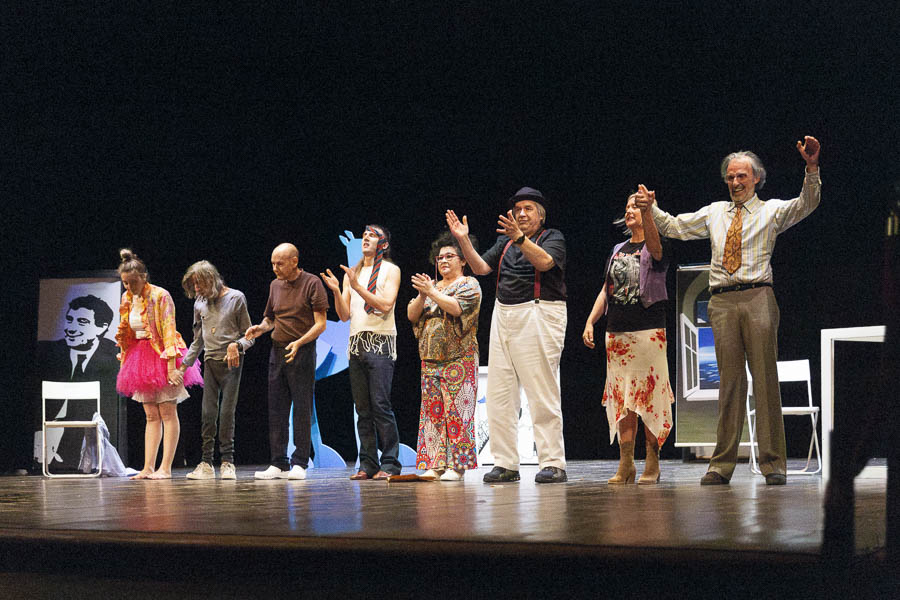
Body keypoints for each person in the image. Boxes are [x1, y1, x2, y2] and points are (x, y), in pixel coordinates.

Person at [639, 136, 821, 485]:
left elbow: (806, 203)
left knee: (765, 380)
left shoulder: (770, 211)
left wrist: (811, 168)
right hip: (721, 301)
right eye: (731, 177)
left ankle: (773, 464)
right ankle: (721, 465)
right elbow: (675, 227)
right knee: (730, 384)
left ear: (756, 179)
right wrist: (651, 208)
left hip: (757, 296)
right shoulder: (714, 213)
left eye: (742, 176)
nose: (736, 182)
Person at [446, 186, 568, 484]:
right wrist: (463, 240)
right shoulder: (505, 241)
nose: (521, 213)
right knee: (500, 395)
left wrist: (520, 238)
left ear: (541, 215)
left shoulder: (552, 237)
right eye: (518, 209)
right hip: (504, 314)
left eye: (528, 209)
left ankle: (553, 462)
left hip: (538, 312)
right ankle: (505, 463)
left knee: (541, 391)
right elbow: (481, 268)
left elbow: (545, 263)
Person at [583, 186, 674, 484]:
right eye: (628, 206)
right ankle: (626, 463)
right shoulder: (617, 249)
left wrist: (649, 212)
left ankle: (652, 461)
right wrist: (591, 321)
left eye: (636, 205)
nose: (629, 210)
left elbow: (656, 252)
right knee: (622, 399)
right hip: (617, 333)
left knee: (650, 396)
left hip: (648, 331)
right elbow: (605, 290)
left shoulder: (657, 243)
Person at [321, 224, 402, 481]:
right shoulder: (352, 274)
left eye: (372, 236)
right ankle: (368, 464)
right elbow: (344, 315)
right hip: (356, 344)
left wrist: (357, 287)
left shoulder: (391, 270)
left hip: (380, 343)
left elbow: (386, 305)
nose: (365, 238)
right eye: (364, 235)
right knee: (362, 409)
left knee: (381, 405)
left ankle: (390, 463)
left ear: (383, 244)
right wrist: (337, 290)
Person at [115, 249, 202, 480]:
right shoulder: (126, 299)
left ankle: (166, 468)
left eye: (133, 282)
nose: (129, 287)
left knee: (167, 411)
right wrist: (125, 360)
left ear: (144, 277)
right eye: (125, 283)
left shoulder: (160, 295)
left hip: (163, 354)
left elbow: (169, 330)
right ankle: (148, 467)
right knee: (150, 415)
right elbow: (125, 332)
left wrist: (172, 367)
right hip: (141, 356)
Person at [245, 243, 327, 481]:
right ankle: (278, 463)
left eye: (279, 264)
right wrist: (261, 328)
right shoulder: (275, 285)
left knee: (301, 407)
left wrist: (300, 342)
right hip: (278, 351)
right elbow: (270, 318)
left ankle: (300, 462)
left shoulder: (312, 283)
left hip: (302, 350)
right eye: (272, 263)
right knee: (277, 408)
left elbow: (320, 324)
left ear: (294, 261)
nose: (275, 268)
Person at [408, 231, 482, 481]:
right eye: (440, 257)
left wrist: (431, 292)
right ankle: (435, 464)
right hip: (430, 360)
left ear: (463, 260)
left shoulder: (469, 284)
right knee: (432, 414)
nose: (443, 261)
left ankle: (457, 466)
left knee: (458, 412)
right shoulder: (432, 287)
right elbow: (411, 315)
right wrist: (422, 295)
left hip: (459, 358)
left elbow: (456, 308)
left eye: (450, 256)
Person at [178, 261, 254, 480]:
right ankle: (206, 463)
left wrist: (237, 345)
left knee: (227, 413)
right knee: (208, 414)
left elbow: (250, 336)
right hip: (210, 361)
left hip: (231, 363)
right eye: (194, 285)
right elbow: (198, 340)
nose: (197, 290)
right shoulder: (200, 303)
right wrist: (182, 367)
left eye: (199, 284)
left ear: (211, 279)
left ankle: (228, 462)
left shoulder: (236, 298)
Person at [38, 295, 120, 469]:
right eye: (69, 320)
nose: (71, 328)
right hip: (52, 428)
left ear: (102, 327)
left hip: (87, 432)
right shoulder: (49, 352)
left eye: (82, 322)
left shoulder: (113, 356)